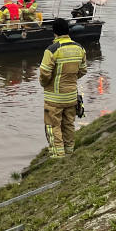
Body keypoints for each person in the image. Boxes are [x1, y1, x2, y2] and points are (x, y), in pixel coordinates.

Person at [39, 18, 86, 159]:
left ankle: (58, 156)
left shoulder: (52, 50)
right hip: (71, 96)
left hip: (54, 98)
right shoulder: (80, 48)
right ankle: (70, 151)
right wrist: (70, 80)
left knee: (53, 126)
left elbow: (44, 73)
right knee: (68, 124)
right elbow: (83, 70)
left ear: (54, 32)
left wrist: (45, 84)